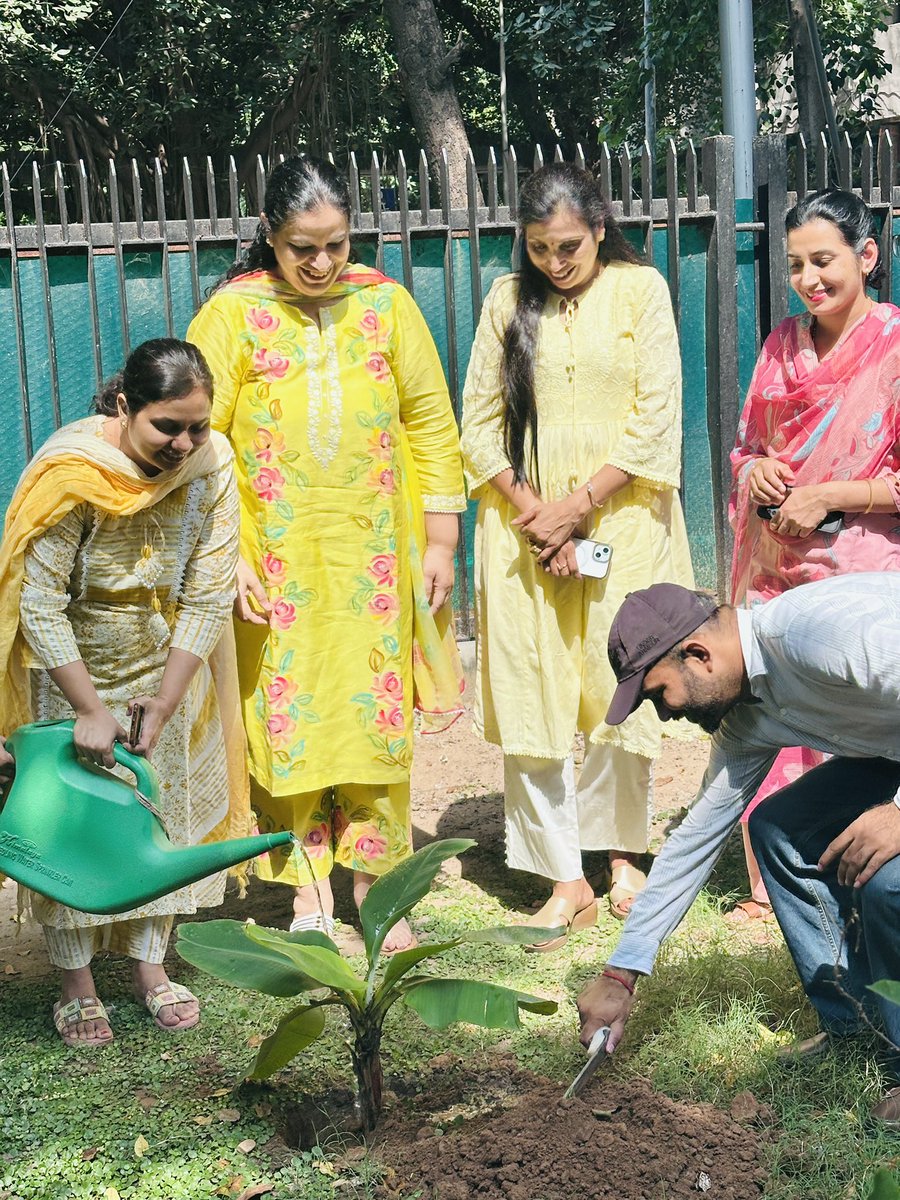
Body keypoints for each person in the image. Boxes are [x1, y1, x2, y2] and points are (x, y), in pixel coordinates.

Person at [186, 156, 466, 953]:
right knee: (289, 717)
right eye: (301, 247)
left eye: (335, 244)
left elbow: (430, 420)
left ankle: (378, 887)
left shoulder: (385, 305)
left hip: (375, 559)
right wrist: (227, 554)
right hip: (273, 561)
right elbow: (199, 443)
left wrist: (441, 540)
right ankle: (307, 890)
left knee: (375, 714)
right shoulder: (234, 314)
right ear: (268, 236)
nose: (319, 263)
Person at [459, 162, 694, 943]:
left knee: (621, 680)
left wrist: (577, 509)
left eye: (568, 246)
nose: (555, 263)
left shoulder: (640, 291)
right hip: (522, 529)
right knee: (532, 692)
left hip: (621, 520)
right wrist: (540, 516)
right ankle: (566, 877)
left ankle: (622, 854)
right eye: (539, 248)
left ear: (599, 229)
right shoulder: (506, 300)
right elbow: (477, 427)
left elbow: (656, 416)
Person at [577, 575, 900, 1123]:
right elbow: (696, 840)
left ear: (698, 655)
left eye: (658, 694)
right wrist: (621, 972)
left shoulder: (815, 635)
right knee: (780, 829)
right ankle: (860, 1028)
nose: (664, 714)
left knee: (890, 880)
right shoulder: (747, 714)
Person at [0, 338, 247, 1047]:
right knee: (71, 825)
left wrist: (165, 701)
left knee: (154, 820)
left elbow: (208, 591)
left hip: (164, 666)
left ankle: (150, 968)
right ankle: (76, 985)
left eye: (198, 425)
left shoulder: (211, 464)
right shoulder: (74, 471)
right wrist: (86, 708)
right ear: (122, 405)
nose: (184, 444)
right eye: (167, 426)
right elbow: (39, 603)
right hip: (66, 672)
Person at [729, 189, 900, 921]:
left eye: (823, 260)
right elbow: (746, 443)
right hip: (775, 565)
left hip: (861, 577)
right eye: (796, 264)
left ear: (868, 256)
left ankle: (856, 874)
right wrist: (754, 471)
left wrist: (831, 493)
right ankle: (774, 882)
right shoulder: (779, 345)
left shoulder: (895, 346)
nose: (808, 279)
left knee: (849, 722)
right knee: (774, 704)